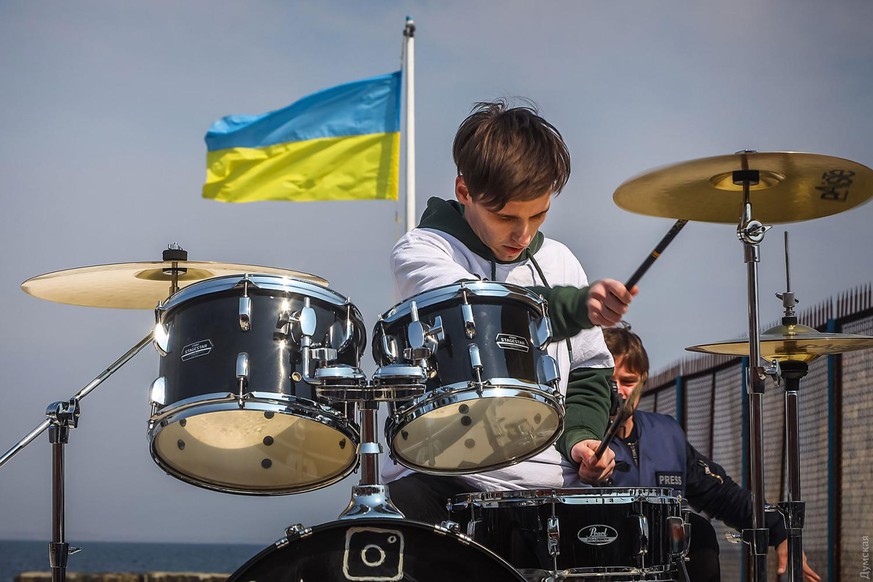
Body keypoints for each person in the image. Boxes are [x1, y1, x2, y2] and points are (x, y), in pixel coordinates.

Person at [382, 98, 637, 523]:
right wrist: (576, 305)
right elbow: (480, 317)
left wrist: (581, 441)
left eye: (539, 215)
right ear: (464, 191)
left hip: (551, 484)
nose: (523, 234)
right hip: (440, 478)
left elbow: (590, 372)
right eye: (505, 217)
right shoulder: (423, 250)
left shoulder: (561, 260)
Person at [601, 324, 821, 582]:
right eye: (607, 382)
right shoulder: (570, 439)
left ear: (644, 380)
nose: (617, 391)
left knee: (700, 533)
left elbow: (720, 493)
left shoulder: (666, 434)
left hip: (662, 573)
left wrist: (780, 531)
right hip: (598, 567)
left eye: (627, 381)